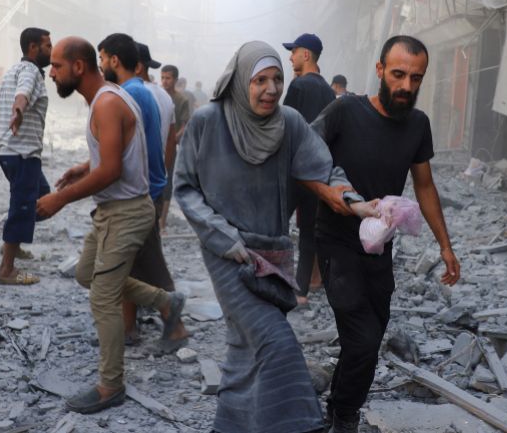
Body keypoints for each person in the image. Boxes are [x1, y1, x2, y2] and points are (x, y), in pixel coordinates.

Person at [174, 41, 376, 433]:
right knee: (275, 340)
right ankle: (303, 424)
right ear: (239, 82)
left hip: (273, 254)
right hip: (227, 252)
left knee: (243, 347)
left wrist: (355, 202)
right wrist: (224, 238)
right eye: (260, 80)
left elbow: (324, 170)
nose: (270, 89)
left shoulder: (290, 124)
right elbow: (184, 188)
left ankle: (229, 424)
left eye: (277, 79)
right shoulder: (208, 121)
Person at [311, 35, 461, 432]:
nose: (406, 86)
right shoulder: (344, 111)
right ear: (380, 70)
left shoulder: (418, 125)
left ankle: (337, 406)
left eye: (416, 78)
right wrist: (329, 194)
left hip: (380, 246)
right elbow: (302, 154)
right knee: (361, 338)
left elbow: (425, 186)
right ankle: (345, 415)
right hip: (337, 242)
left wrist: (446, 246)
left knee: (370, 337)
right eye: (398, 75)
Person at [37, 37, 185, 414]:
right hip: (111, 212)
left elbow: (112, 170)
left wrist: (60, 199)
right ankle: (166, 301)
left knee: (103, 296)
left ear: (79, 67)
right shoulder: (107, 97)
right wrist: (84, 166)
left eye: (56, 66)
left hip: (126, 213)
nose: (51, 73)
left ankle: (110, 385)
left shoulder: (106, 102)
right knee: (88, 274)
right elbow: (114, 151)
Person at [114, 40, 186, 347]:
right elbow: (169, 145)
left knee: (134, 258)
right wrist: (161, 181)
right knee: (138, 256)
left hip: (133, 190)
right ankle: (133, 325)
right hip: (153, 187)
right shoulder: (162, 97)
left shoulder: (127, 95)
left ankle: (145, 324)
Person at [282, 33, 336, 306]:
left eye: (294, 51)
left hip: (293, 170)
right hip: (317, 173)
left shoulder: (298, 87)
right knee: (307, 234)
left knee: (276, 224)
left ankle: (273, 281)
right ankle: (300, 291)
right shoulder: (329, 91)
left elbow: (285, 128)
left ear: (306, 55)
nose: (290, 56)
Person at [0, 27, 52, 285]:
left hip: (10, 151)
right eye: (47, 46)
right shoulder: (30, 73)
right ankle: (7, 270)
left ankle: (13, 242)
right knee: (23, 205)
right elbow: (23, 94)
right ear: (33, 47)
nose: (51, 50)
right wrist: (19, 110)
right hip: (23, 153)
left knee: (42, 195)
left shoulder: (12, 71)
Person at [159, 64, 191, 231]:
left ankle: (162, 222)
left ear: (175, 80)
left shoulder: (181, 100)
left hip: (171, 148)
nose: (164, 81)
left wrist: (172, 140)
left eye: (168, 78)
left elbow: (185, 125)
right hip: (155, 148)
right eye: (162, 77)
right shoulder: (156, 96)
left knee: (167, 184)